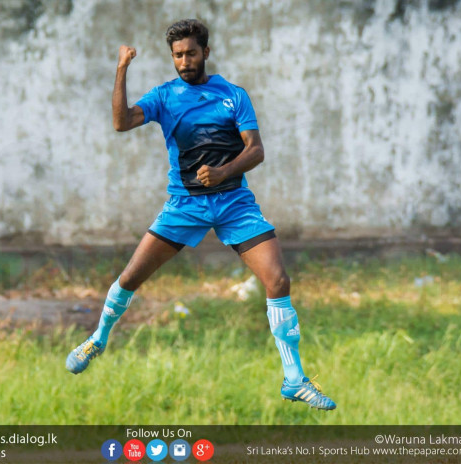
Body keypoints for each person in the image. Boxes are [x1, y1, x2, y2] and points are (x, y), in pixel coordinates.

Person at [66, 19, 336, 410]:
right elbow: (121, 122)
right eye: (177, 55)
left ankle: (293, 378)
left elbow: (256, 150)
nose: (184, 61)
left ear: (205, 53)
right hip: (184, 206)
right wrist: (122, 68)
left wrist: (224, 172)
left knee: (278, 280)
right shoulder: (164, 97)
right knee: (129, 278)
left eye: (191, 53)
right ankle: (98, 338)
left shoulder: (233, 95)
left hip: (234, 204)